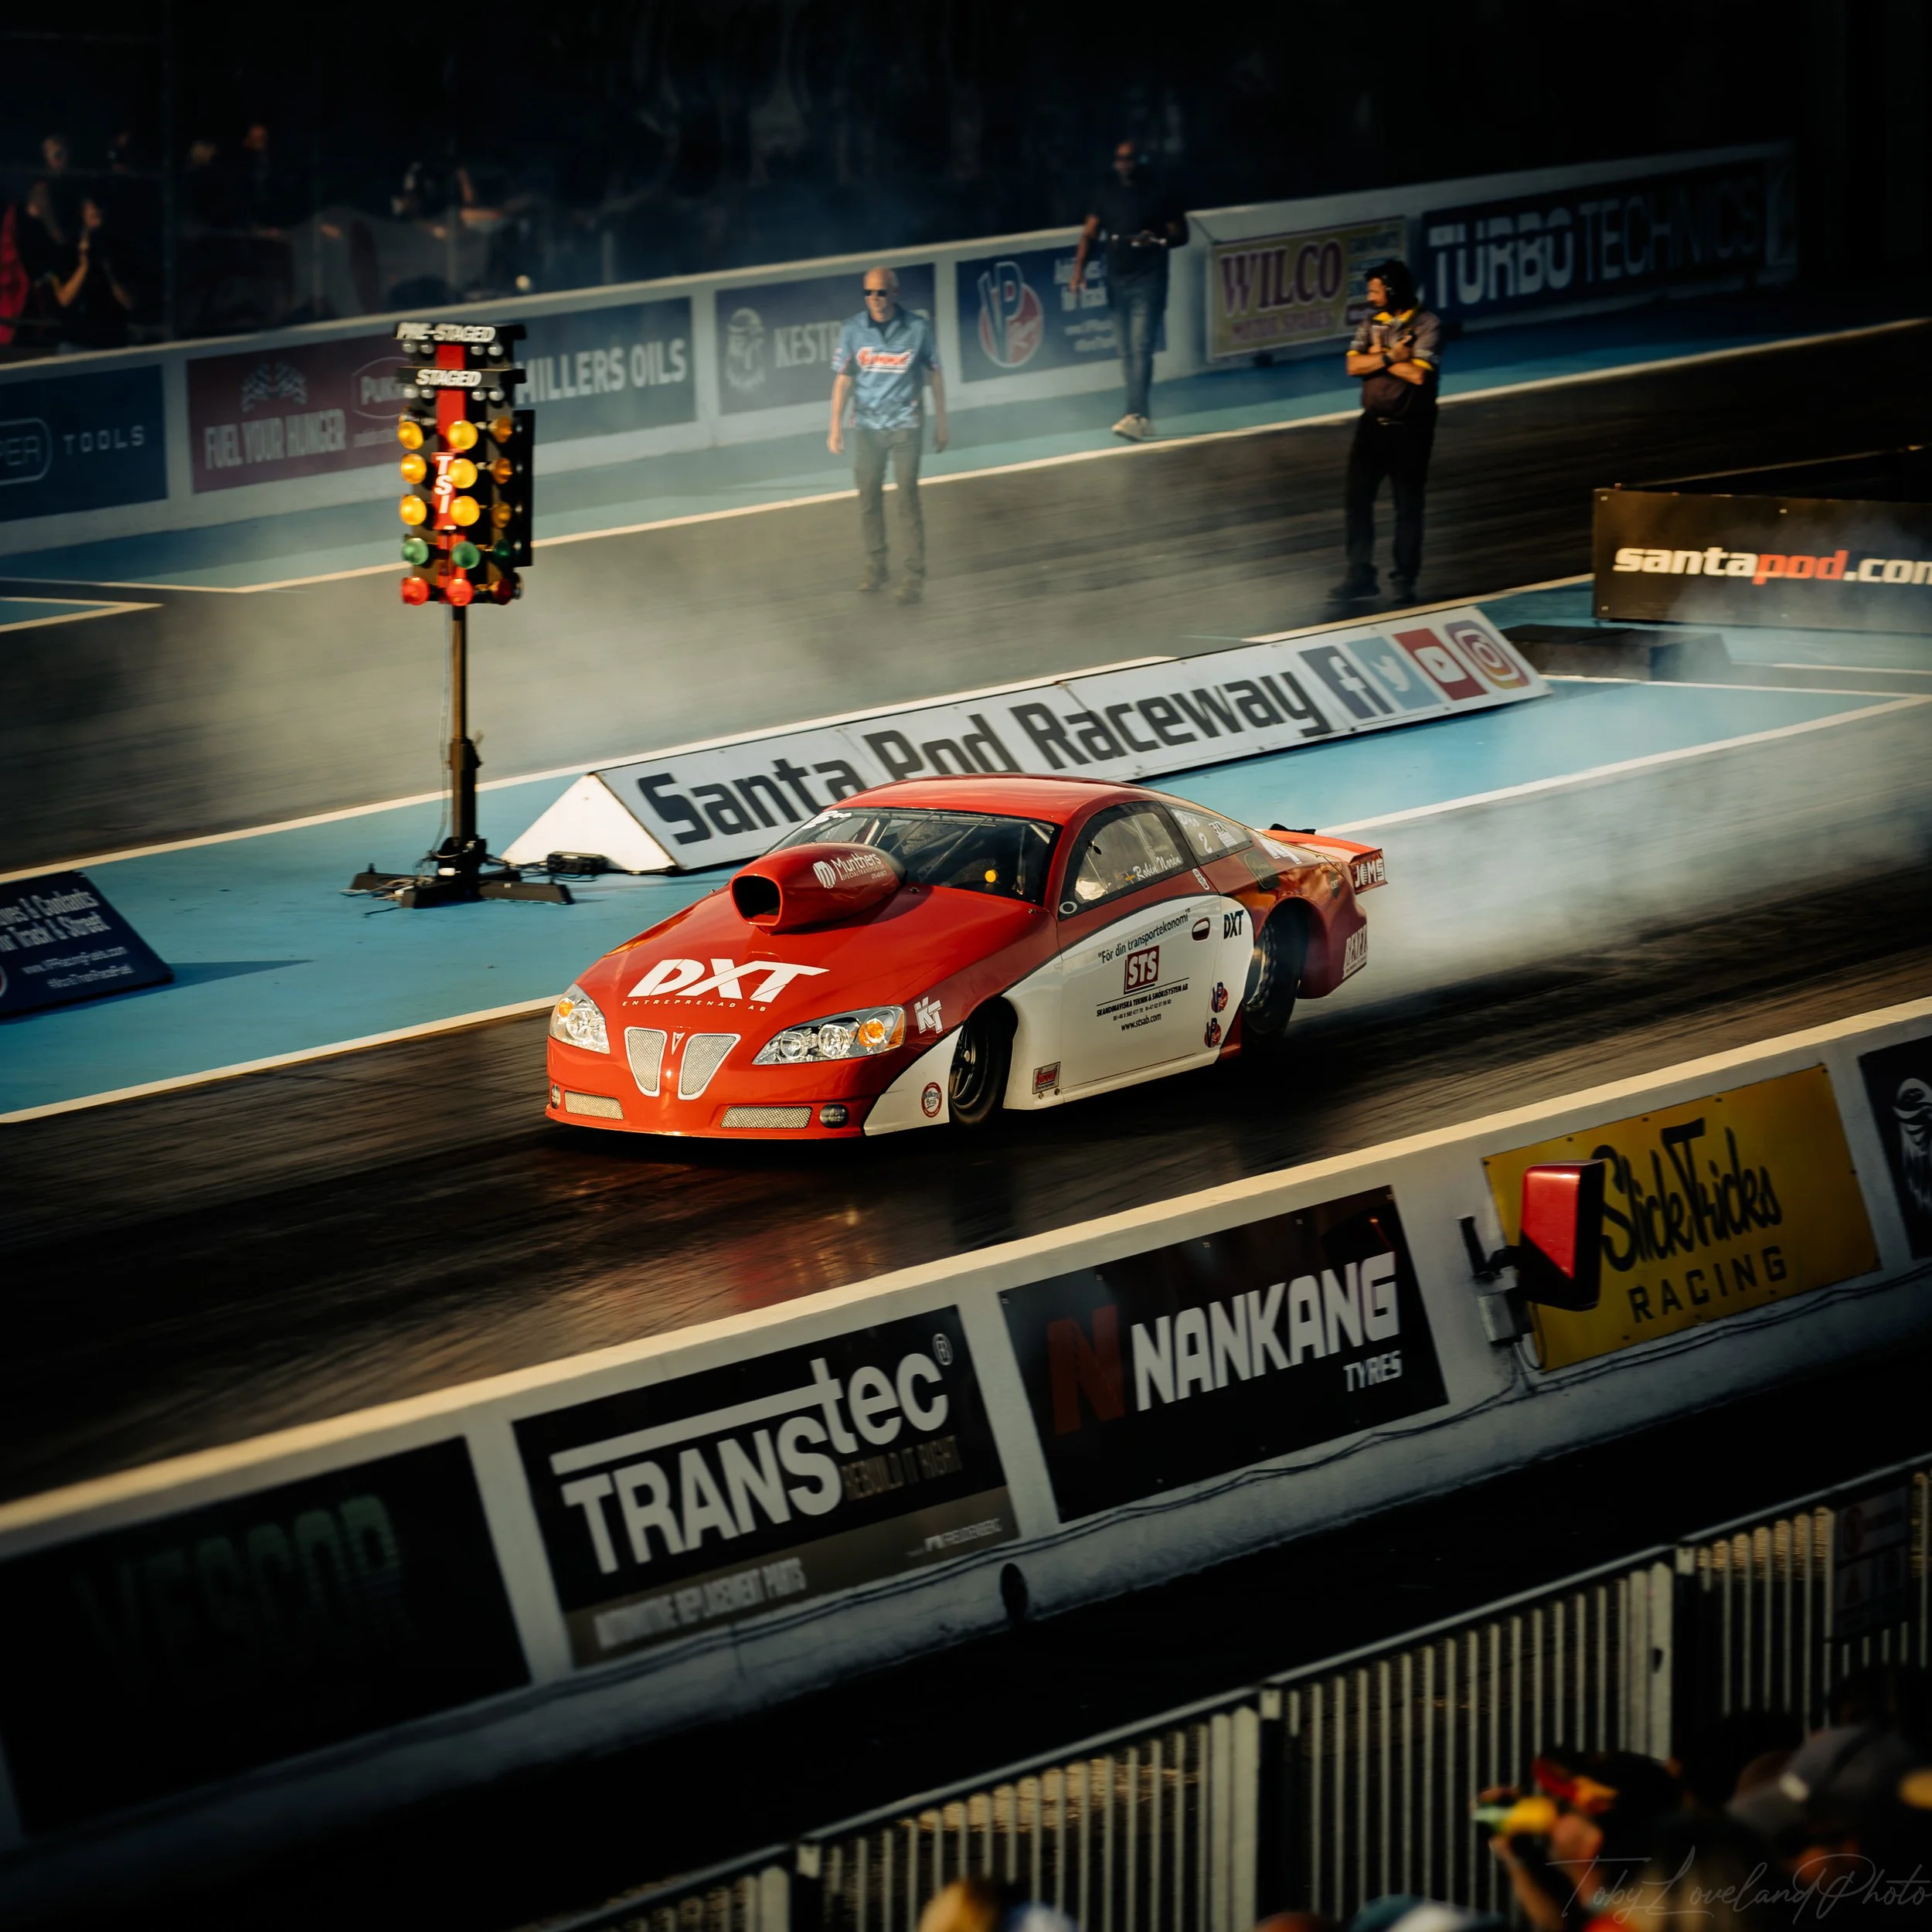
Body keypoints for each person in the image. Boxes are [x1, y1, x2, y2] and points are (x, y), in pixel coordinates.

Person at [828, 264, 947, 606]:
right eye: (869, 293)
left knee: (907, 496)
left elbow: (935, 373)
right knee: (868, 497)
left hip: (906, 425)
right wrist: (835, 425)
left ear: (894, 293)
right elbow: (844, 378)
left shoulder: (917, 328)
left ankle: (913, 577)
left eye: (881, 292)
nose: (875, 299)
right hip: (866, 428)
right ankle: (876, 566)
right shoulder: (852, 330)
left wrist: (942, 421)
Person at [1332, 260, 1442, 607]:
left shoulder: (1428, 324)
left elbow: (1419, 376)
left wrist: (1379, 358)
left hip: (1412, 430)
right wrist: (1393, 357)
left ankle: (1404, 579)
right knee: (1356, 501)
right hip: (1371, 426)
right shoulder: (1369, 322)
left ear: (1393, 291)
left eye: (1375, 290)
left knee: (1408, 507)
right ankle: (1360, 575)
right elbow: (1352, 366)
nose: (1370, 297)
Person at [1070, 140, 1189, 442]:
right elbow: (1090, 233)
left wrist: (1158, 240)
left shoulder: (1159, 191)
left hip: (1149, 280)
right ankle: (1142, 416)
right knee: (1126, 352)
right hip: (1116, 281)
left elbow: (1181, 234)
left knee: (1140, 346)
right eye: (1121, 159)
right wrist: (1078, 271)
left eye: (1131, 159)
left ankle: (1135, 414)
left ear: (1140, 161)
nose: (1125, 164)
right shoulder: (1105, 193)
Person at [50, 196, 135, 350]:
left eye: (101, 216)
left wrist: (109, 271)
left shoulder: (120, 249)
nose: (98, 224)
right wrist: (84, 267)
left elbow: (130, 303)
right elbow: (63, 299)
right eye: (94, 217)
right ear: (83, 214)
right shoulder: (67, 249)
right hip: (76, 341)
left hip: (111, 339)